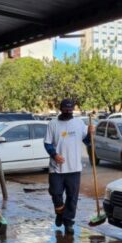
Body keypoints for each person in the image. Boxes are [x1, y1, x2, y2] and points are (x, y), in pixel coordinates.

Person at [44, 99, 92, 235]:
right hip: (56, 169)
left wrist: (90, 134)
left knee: (72, 197)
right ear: (61, 109)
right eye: (65, 109)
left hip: (74, 168)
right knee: (56, 194)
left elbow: (88, 142)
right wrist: (54, 155)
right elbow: (47, 144)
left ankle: (69, 221)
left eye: (70, 110)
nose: (68, 112)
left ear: (73, 110)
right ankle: (60, 213)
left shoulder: (79, 123)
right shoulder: (53, 124)